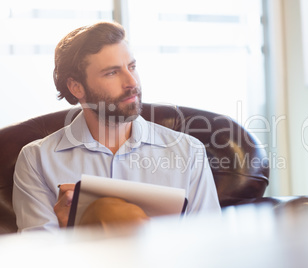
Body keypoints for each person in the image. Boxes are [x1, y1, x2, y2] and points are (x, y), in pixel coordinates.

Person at [12, 21, 221, 232]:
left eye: (132, 67)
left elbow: (211, 248)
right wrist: (71, 234)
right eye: (112, 72)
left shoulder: (189, 152)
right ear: (76, 87)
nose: (132, 82)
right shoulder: (36, 160)